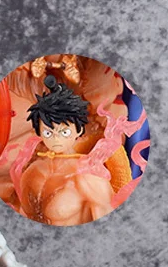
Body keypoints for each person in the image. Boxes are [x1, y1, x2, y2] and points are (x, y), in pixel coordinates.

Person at [19, 76, 114, 225]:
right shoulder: (32, 170)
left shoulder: (88, 176)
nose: (56, 139)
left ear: (78, 130)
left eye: (64, 132)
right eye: (48, 133)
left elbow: (107, 225)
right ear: (39, 133)